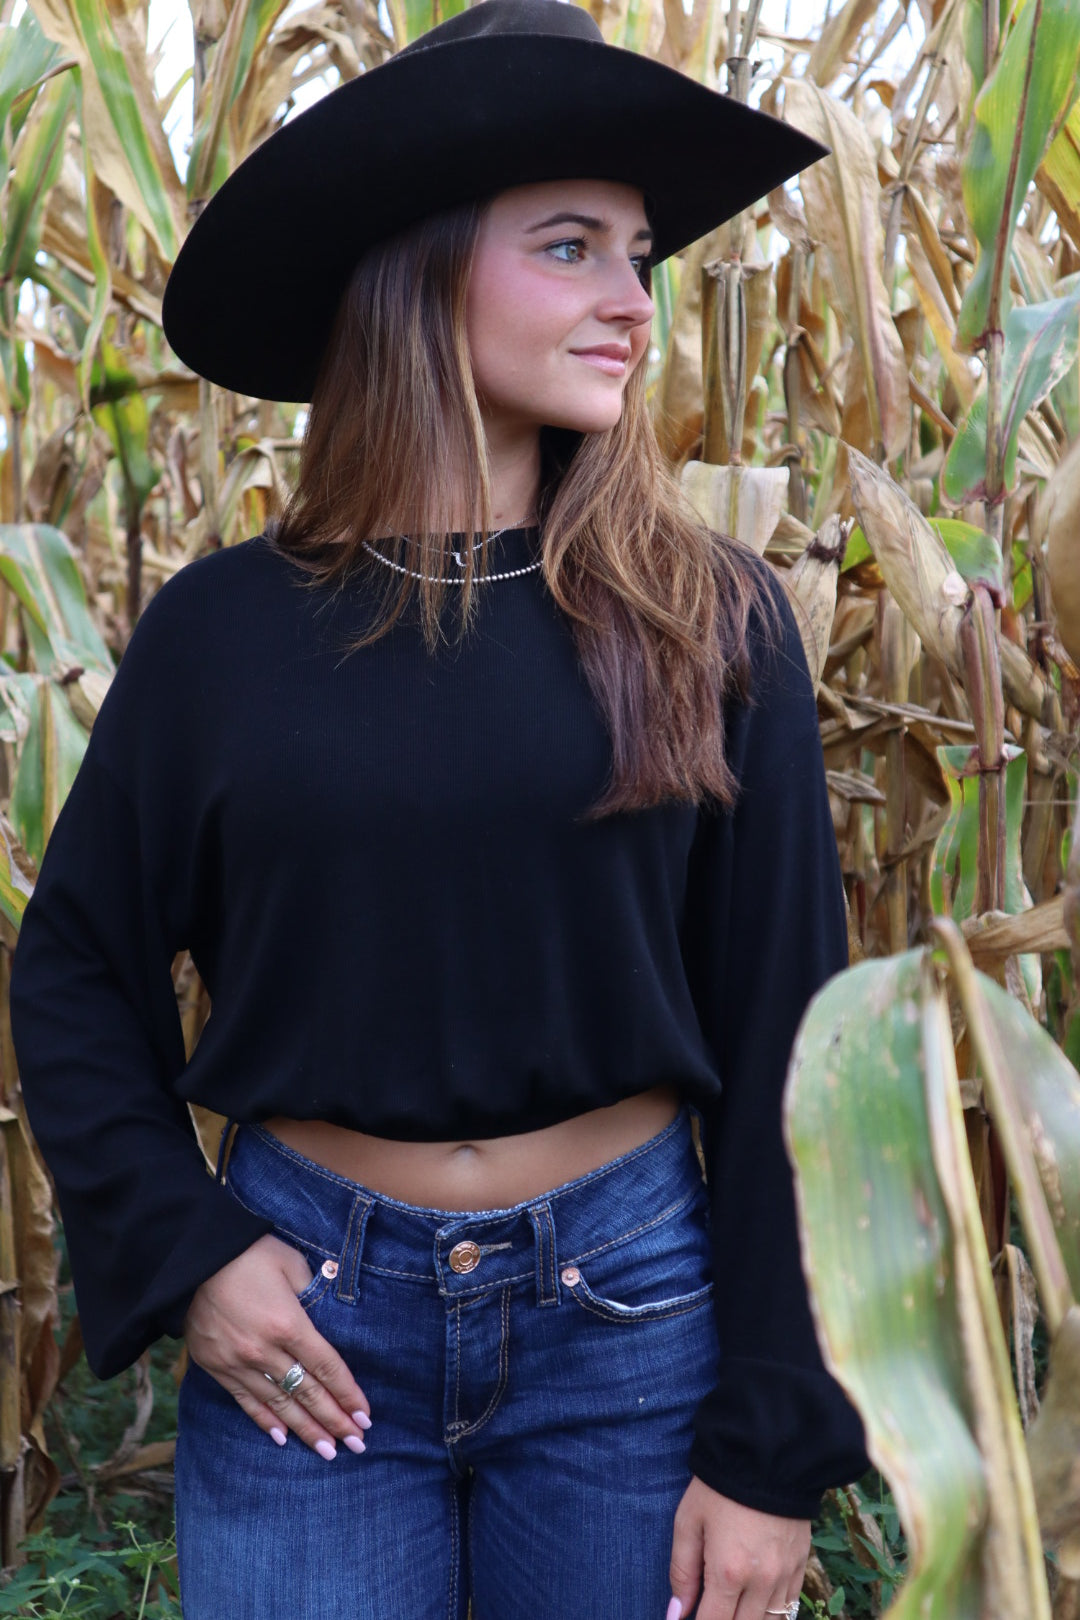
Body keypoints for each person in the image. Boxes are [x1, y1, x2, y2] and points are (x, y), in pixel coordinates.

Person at [8, 2, 870, 1616]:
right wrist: (190, 1253)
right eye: (570, 247)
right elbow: (72, 969)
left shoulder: (706, 619)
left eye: (638, 258)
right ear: (419, 270)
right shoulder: (224, 632)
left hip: (631, 1323)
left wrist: (772, 1449)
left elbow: (795, 1044)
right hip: (309, 1330)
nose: (632, 301)